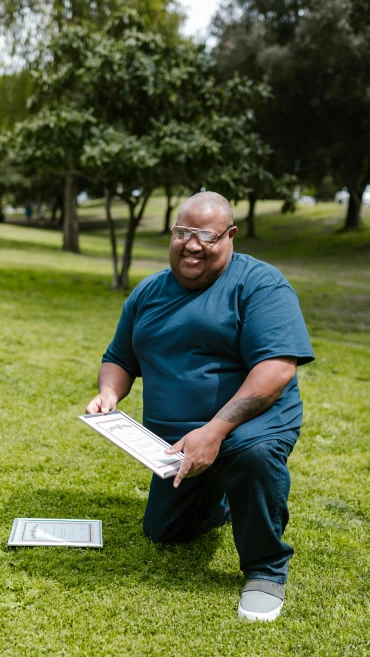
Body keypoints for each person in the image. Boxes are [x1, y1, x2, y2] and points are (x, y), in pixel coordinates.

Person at [86, 191, 314, 621]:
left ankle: (265, 569)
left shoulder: (261, 284)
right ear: (172, 233)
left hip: (252, 422)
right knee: (164, 533)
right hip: (176, 443)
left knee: (252, 454)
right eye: (183, 233)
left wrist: (215, 431)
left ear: (230, 236)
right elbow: (119, 358)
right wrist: (110, 393)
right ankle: (223, 496)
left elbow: (277, 368)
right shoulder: (147, 292)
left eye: (206, 236)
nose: (192, 245)